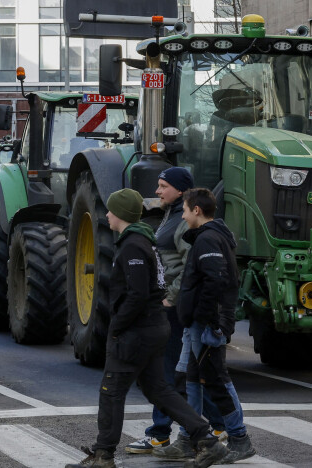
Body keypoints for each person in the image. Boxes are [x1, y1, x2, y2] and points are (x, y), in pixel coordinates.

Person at [66, 188, 228, 468]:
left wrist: (116, 326)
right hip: (153, 327)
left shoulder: (133, 246)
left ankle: (103, 455)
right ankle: (207, 440)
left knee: (111, 391)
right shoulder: (142, 241)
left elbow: (138, 293)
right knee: (159, 391)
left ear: (120, 214)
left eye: (110, 210)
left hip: (137, 331)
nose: (107, 214)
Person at [125, 168, 227, 456]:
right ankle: (217, 426)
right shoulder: (171, 216)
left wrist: (169, 299)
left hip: (175, 308)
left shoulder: (182, 224)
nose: (157, 191)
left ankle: (159, 434)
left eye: (163, 186)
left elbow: (187, 266)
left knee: (166, 373)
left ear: (180, 190)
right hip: (175, 305)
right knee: (187, 373)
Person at [177, 187, 255, 467]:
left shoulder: (208, 240)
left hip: (206, 325)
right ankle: (189, 439)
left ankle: (239, 439)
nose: (183, 216)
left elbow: (215, 282)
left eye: (185, 210)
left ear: (196, 210)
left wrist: (207, 320)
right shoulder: (211, 237)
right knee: (194, 380)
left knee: (217, 380)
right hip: (203, 322)